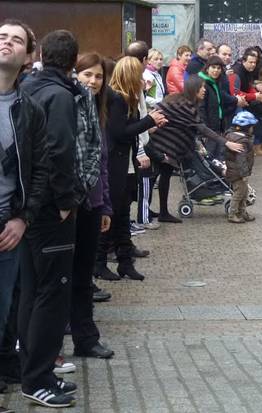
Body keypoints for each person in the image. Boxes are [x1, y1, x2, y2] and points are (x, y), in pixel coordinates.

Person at [18, 29, 84, 408]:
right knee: (51, 293)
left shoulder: (28, 86)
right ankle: (38, 377)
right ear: (74, 62)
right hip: (49, 210)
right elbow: (58, 150)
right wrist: (64, 200)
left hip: (30, 207)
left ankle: (32, 370)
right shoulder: (59, 95)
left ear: (40, 53)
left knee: (32, 291)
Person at [0, 18, 49, 410]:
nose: (6, 44)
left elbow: (40, 171)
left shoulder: (28, 109)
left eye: (16, 40)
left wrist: (24, 217)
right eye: (1, 37)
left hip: (7, 227)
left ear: (27, 56)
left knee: (3, 313)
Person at [95, 56, 167, 282]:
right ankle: (100, 263)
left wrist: (149, 123)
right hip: (117, 165)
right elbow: (119, 132)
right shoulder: (117, 99)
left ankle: (125, 262)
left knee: (123, 214)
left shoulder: (128, 98)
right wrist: (149, 121)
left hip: (126, 165)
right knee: (113, 214)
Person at [146, 75, 244, 223]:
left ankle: (153, 210)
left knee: (157, 178)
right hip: (163, 145)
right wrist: (226, 143)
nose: (204, 90)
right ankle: (157, 212)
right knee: (156, 178)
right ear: (194, 89)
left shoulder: (177, 100)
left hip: (161, 143)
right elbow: (203, 129)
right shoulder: (187, 106)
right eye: (202, 87)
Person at [69, 53, 115, 360]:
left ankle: (86, 338)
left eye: (98, 76)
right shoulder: (69, 106)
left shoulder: (99, 110)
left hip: (93, 204)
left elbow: (102, 165)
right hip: (68, 204)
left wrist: (106, 205)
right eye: (87, 75)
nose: (93, 81)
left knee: (84, 277)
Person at [224, 111, 257, 223]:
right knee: (239, 194)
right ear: (246, 128)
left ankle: (242, 212)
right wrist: (244, 174)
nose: (253, 129)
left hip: (235, 171)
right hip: (238, 173)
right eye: (251, 127)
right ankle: (233, 214)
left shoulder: (232, 137)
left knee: (244, 192)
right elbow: (241, 160)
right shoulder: (242, 142)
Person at [198, 56, 228, 160]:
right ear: (207, 68)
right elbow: (200, 108)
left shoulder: (215, 83)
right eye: (213, 67)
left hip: (217, 124)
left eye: (218, 68)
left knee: (217, 153)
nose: (216, 70)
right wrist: (204, 129)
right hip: (208, 127)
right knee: (209, 155)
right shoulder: (203, 84)